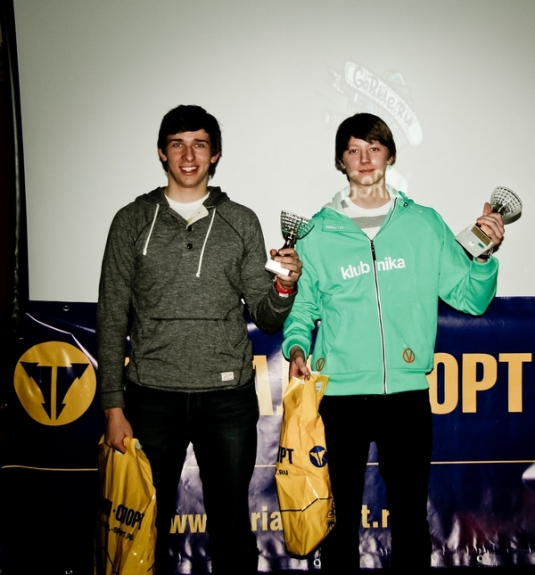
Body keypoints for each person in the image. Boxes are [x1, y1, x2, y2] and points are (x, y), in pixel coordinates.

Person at [282, 113, 504, 571]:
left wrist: (483, 257)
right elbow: (302, 311)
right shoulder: (316, 233)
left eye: (374, 148)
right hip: (339, 394)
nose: (364, 159)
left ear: (390, 155)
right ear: (341, 161)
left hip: (406, 395)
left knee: (409, 518)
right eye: (353, 150)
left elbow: (470, 298)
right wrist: (297, 348)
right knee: (339, 519)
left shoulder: (423, 224)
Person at [97, 105, 302, 574]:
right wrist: (113, 407)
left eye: (199, 145)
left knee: (232, 529)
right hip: (150, 397)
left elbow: (266, 316)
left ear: (215, 155)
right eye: (177, 144)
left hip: (227, 399)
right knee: (141, 528)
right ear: (162, 153)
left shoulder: (240, 221)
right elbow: (111, 316)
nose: (188, 155)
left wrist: (284, 286)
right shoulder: (131, 220)